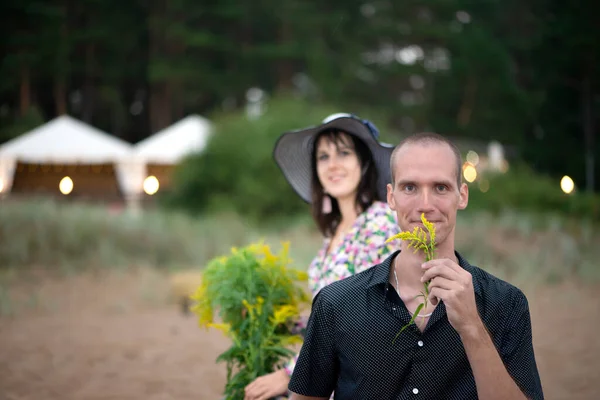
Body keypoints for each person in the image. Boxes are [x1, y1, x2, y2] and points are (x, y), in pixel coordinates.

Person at [287, 132, 544, 400]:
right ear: (391, 197)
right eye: (410, 187)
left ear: (462, 196)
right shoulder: (335, 303)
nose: (425, 205)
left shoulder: (506, 304)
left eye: (441, 188)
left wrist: (471, 326)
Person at [243, 113, 402, 400]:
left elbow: (374, 316)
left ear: (363, 163)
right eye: (323, 156)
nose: (333, 165)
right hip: (330, 371)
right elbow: (332, 315)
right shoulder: (333, 232)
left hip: (362, 380)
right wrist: (282, 321)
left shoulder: (380, 223)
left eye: (344, 153)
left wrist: (289, 375)